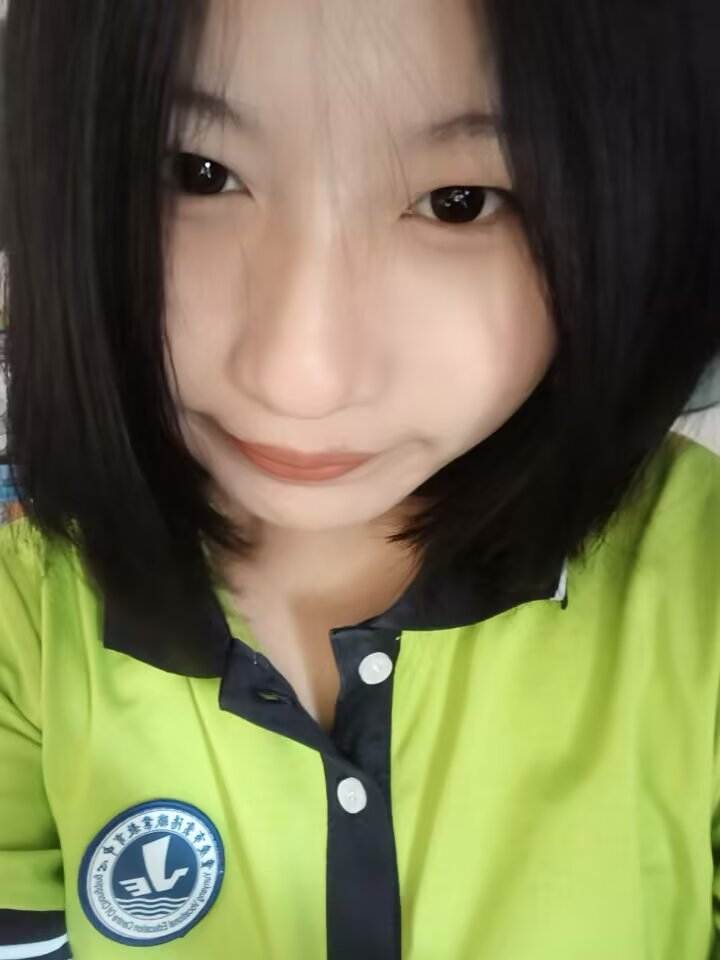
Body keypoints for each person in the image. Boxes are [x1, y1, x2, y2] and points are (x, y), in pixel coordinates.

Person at [0, 0, 719, 957]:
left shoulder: (699, 588)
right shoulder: (25, 621)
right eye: (198, 173)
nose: (298, 377)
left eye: (460, 201)